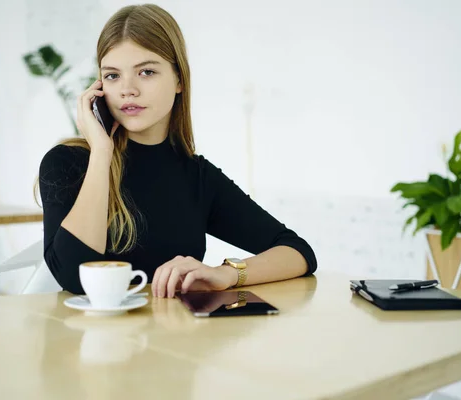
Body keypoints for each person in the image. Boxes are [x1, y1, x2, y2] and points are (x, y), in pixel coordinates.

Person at [37, 3, 317, 299]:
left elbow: (298, 252)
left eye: (146, 72)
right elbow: (74, 277)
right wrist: (102, 153)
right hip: (93, 342)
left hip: (175, 339)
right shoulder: (68, 163)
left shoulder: (195, 175)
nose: (127, 89)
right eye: (112, 75)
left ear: (179, 79)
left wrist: (226, 274)